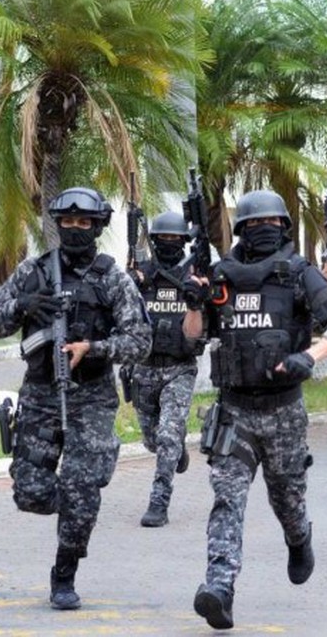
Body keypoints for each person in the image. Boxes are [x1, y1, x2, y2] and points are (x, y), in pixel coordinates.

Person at [186, 189, 327, 630]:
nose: (263, 231)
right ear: (241, 230)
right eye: (254, 225)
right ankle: (219, 588)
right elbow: (192, 336)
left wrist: (310, 356)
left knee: (288, 499)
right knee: (227, 500)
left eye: (272, 226)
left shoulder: (298, 274)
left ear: (284, 228)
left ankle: (299, 540)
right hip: (234, 410)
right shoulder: (219, 274)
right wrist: (194, 301)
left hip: (283, 412)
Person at [0, 187, 151, 610]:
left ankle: (64, 572)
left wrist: (91, 349)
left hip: (91, 396)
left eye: (84, 223)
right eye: (68, 223)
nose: (75, 229)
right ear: (58, 225)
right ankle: (81, 497)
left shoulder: (113, 277)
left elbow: (139, 340)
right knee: (31, 493)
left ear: (97, 226)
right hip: (39, 394)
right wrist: (24, 304)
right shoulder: (32, 271)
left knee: (80, 486)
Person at [125, 211, 204, 527]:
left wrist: (197, 299)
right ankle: (175, 452)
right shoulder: (139, 274)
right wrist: (129, 286)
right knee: (153, 441)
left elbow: (198, 329)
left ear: (184, 242)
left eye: (175, 239)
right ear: (153, 241)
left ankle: (159, 502)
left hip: (179, 369)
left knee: (169, 435)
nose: (169, 244)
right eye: (162, 239)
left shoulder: (192, 277)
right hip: (143, 369)